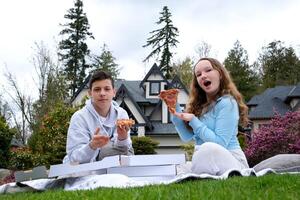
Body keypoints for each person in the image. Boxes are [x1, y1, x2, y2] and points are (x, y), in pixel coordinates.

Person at [171, 57, 249, 175]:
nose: (203, 75)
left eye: (208, 70)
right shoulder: (199, 106)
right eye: (198, 74)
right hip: (204, 157)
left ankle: (197, 173)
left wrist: (193, 120)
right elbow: (187, 137)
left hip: (231, 160)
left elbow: (220, 144)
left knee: (207, 149)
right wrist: (174, 109)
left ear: (220, 74)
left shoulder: (227, 103)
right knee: (181, 167)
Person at [63, 71, 134, 164]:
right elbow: (73, 158)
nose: (102, 93)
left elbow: (124, 150)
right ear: (90, 93)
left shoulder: (121, 114)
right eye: (97, 89)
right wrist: (91, 146)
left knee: (128, 152)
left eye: (107, 89)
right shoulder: (79, 117)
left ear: (114, 92)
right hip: (83, 170)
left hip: (113, 167)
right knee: (106, 150)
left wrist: (122, 138)